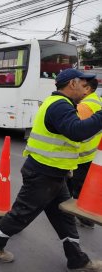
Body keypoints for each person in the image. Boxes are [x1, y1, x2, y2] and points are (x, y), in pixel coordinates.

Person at [0, 68, 102, 272]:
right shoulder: (59, 106)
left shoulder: (62, 104)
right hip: (43, 174)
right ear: (72, 84)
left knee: (64, 218)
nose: (86, 91)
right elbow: (77, 132)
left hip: (55, 174)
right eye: (83, 85)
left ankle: (77, 261)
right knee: (21, 214)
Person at [67, 78, 101, 229]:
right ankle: (84, 217)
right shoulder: (97, 101)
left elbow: (74, 131)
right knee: (83, 185)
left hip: (82, 154)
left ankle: (79, 216)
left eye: (79, 84)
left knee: (76, 185)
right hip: (92, 153)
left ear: (87, 89)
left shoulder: (85, 106)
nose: (75, 87)